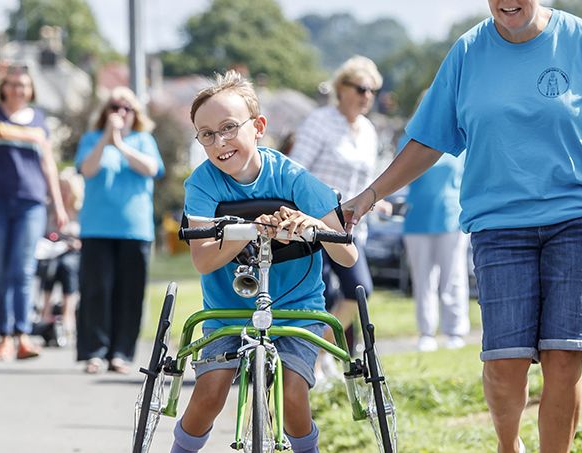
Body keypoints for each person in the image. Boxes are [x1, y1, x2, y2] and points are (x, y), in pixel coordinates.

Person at [341, 0, 582, 453]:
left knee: (564, 358)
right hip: (500, 223)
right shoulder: (469, 53)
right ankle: (507, 444)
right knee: (504, 361)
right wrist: (368, 196)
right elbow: (428, 140)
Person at [174, 71, 356, 453]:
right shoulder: (202, 184)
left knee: (293, 396)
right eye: (206, 134)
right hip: (227, 310)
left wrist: (312, 223)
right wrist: (250, 230)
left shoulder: (294, 178)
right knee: (208, 394)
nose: (219, 141)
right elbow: (203, 261)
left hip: (296, 309)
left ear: (258, 127)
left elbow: (347, 253)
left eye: (228, 128)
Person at [0, 60, 67, 362]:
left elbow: (48, 164)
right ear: (4, 87)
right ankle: (4, 336)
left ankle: (22, 335)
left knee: (22, 270)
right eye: (12, 83)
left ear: (30, 88)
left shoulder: (39, 119)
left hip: (30, 202)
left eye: (23, 84)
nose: (18, 88)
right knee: (1, 271)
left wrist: (58, 204)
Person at [288, 55, 387, 363]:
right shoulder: (320, 121)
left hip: (352, 228)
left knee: (358, 293)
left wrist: (376, 199)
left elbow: (368, 179)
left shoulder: (369, 130)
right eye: (361, 88)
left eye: (373, 90)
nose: (367, 96)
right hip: (316, 222)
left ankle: (316, 354)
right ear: (341, 89)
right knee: (322, 296)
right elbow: (296, 170)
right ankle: (314, 362)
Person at [75, 87, 164, 374]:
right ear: (105, 111)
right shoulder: (91, 139)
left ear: (136, 114)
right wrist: (106, 139)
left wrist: (121, 145)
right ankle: (94, 352)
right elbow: (87, 169)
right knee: (95, 291)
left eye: (127, 108)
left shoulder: (143, 140)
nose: (121, 113)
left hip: (134, 230)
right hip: (96, 228)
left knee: (130, 293)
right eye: (115, 107)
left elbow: (151, 169)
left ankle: (121, 353)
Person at [397, 132, 469, 352]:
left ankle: (455, 330)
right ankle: (426, 332)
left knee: (453, 276)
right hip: (417, 218)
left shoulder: (462, 141)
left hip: (451, 216)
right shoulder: (409, 139)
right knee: (423, 279)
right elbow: (399, 174)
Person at [38, 169, 84, 345]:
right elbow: (45, 231)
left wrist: (75, 240)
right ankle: (45, 311)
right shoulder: (52, 208)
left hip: (75, 252)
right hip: (53, 250)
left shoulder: (81, 210)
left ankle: (68, 314)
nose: (64, 193)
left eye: (67, 189)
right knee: (50, 266)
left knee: (67, 266)